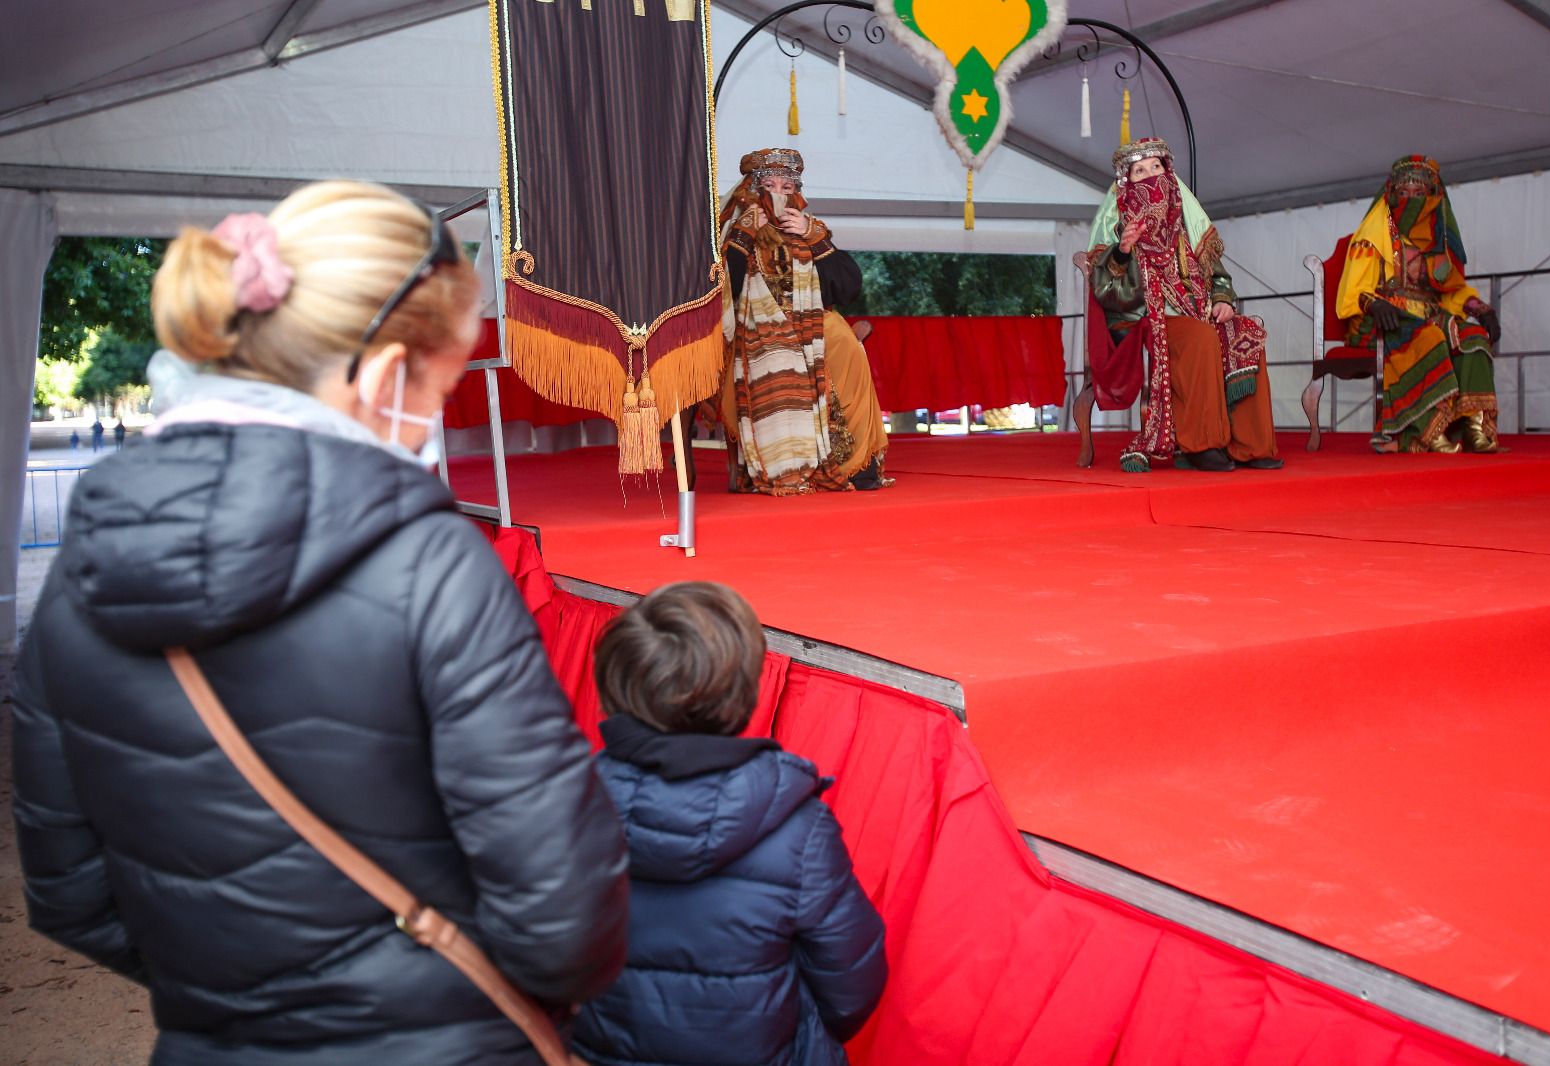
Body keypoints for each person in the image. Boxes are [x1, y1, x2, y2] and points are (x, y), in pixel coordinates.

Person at [11, 181, 629, 1065]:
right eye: (447, 384)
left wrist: (246, 993)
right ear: (383, 378)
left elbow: (70, 896)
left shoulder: (77, 574)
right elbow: (568, 926)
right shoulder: (434, 566)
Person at [572, 581, 888, 1065]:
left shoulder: (562, 806)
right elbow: (851, 983)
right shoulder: (799, 829)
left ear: (612, 687)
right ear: (742, 694)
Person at [1087, 137, 1282, 473]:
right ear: (1126, 181)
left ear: (1168, 171)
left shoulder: (1186, 227)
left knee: (1245, 334)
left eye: (1156, 167)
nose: (1150, 177)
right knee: (1199, 338)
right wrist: (1123, 251)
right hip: (1148, 319)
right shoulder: (1118, 227)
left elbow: (1219, 277)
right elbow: (1108, 295)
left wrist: (1223, 301)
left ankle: (1250, 446)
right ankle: (1200, 444)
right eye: (1139, 171)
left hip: (1200, 312)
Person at [719, 147, 891, 494]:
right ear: (753, 189)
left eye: (787, 187)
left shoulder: (811, 229)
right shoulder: (735, 232)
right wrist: (743, 236)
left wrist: (815, 237)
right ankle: (788, 463)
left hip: (812, 320)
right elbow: (722, 292)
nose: (780, 194)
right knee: (779, 354)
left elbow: (847, 287)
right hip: (760, 327)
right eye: (770, 185)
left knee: (846, 345)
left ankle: (857, 463)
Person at [1336, 155, 1503, 453]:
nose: (1410, 199)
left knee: (1474, 337)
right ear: (1392, 194)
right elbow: (1353, 286)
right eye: (1403, 193)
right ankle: (1426, 430)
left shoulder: (1437, 240)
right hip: (1382, 316)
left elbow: (1451, 291)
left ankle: (1473, 427)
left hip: (1431, 313)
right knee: (1429, 336)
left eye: (1418, 194)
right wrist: (1375, 304)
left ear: (1431, 196)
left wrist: (1481, 309)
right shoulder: (1374, 233)